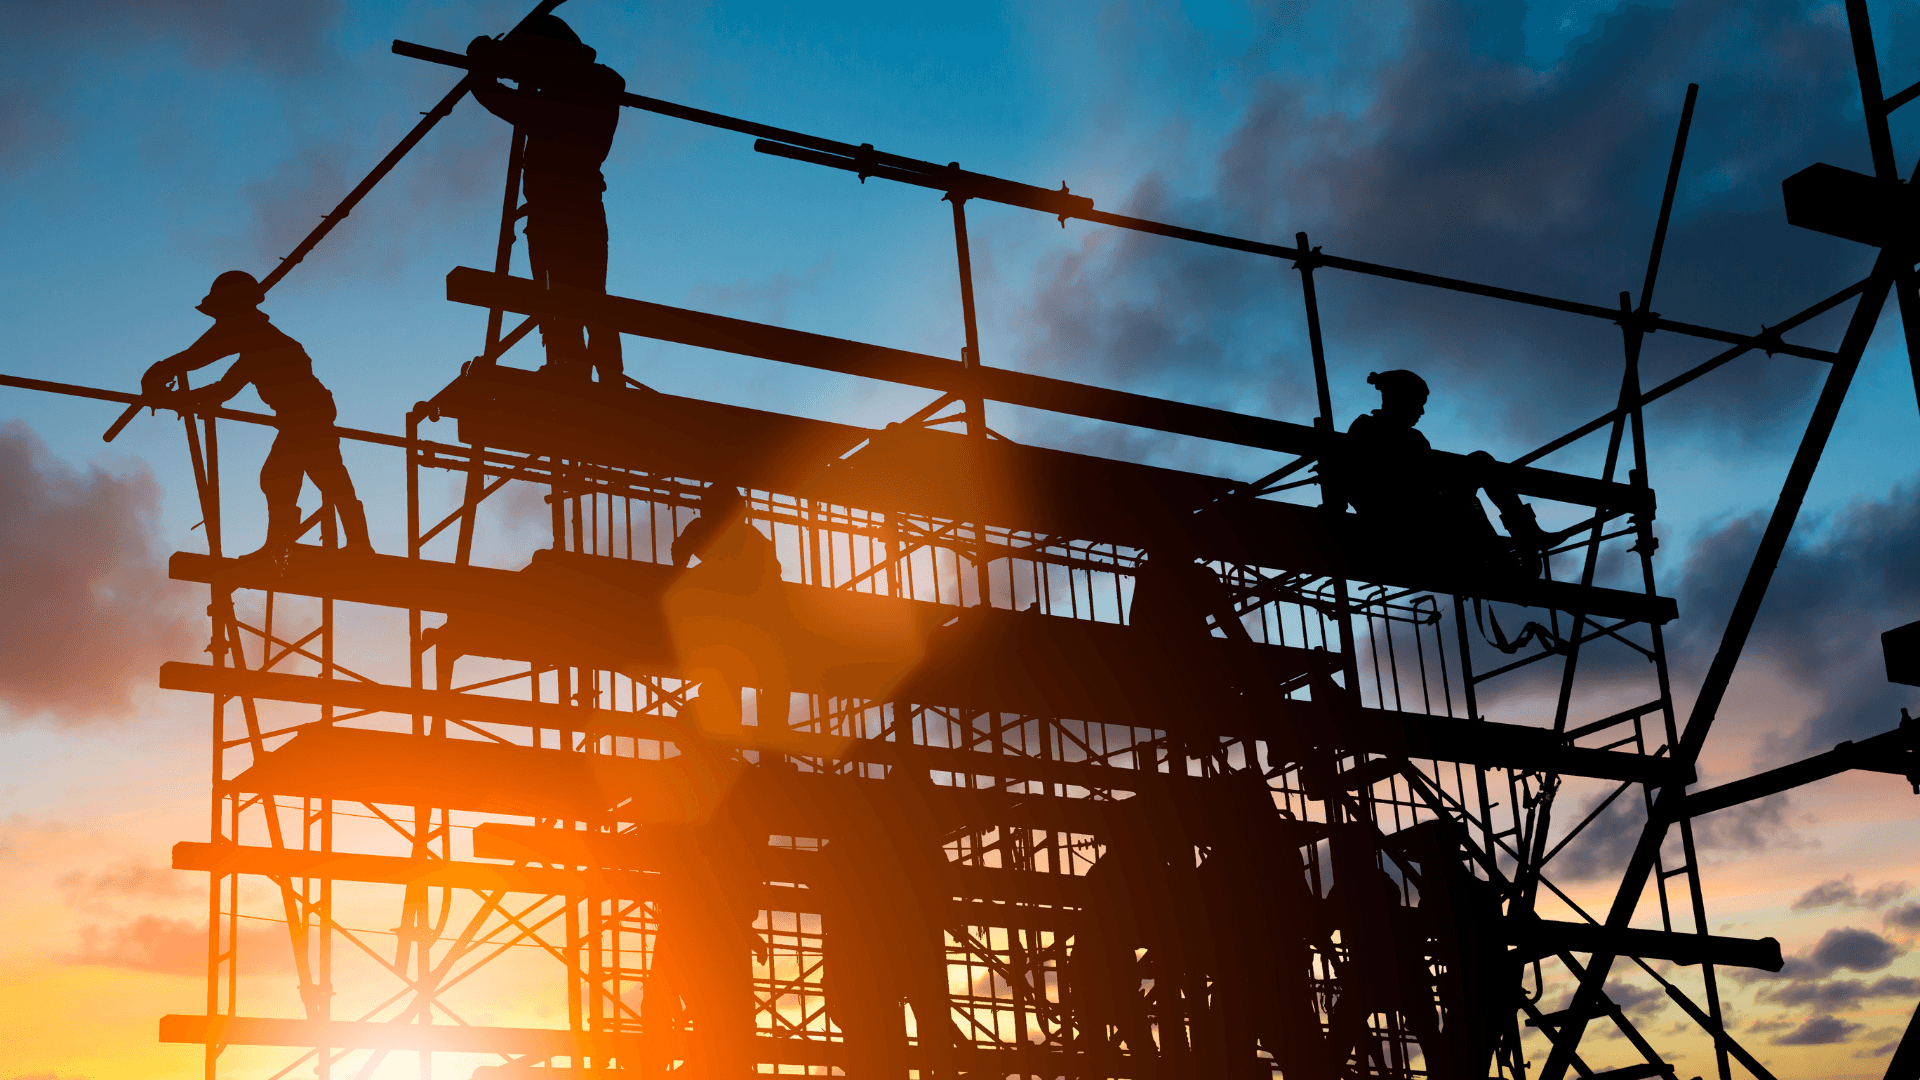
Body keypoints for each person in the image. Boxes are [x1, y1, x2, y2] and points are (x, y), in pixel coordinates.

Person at [141, 270, 372, 561]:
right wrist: (177, 398)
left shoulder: (261, 342)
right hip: (306, 416)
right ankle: (345, 546)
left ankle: (286, 549)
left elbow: (204, 363)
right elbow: (221, 387)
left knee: (286, 477)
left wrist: (164, 379)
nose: (219, 323)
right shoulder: (257, 345)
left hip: (306, 416)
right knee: (324, 478)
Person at [467, 15, 626, 385]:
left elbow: (499, 97)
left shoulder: (567, 100)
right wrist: (499, 62)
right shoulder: (594, 89)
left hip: (558, 214)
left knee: (561, 300)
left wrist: (482, 67)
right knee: (586, 300)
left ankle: (571, 372)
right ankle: (594, 375)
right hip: (581, 212)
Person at [1333, 369, 1546, 575]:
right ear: (1400, 399)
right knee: (1474, 484)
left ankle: (1521, 541)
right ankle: (1516, 546)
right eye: (1418, 403)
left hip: (1423, 514)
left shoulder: (1414, 439)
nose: (1422, 411)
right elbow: (1352, 478)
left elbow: (1428, 479)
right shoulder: (1367, 429)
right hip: (1398, 522)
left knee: (1477, 472)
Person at [666, 483, 794, 729]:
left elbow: (679, 554)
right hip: (752, 621)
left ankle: (730, 736)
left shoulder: (714, 531)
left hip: (732, 621)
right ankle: (768, 739)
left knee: (731, 680)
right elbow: (774, 574)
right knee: (770, 683)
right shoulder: (750, 536)